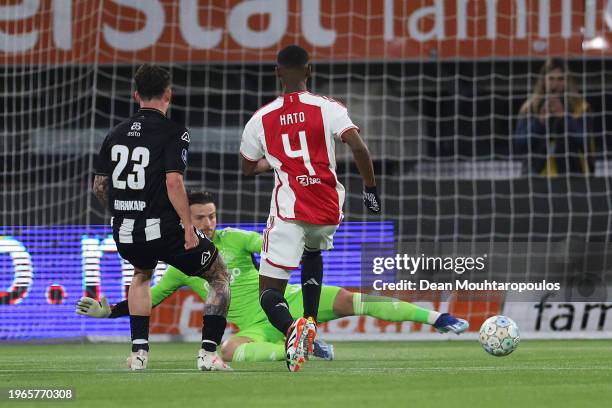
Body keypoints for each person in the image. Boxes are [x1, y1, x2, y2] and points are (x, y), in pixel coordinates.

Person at [77, 191, 469, 362]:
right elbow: (150, 299)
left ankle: (438, 318)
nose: (210, 223)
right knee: (226, 351)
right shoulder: (181, 264)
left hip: (289, 299)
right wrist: (108, 311)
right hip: (254, 326)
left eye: (212, 215)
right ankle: (297, 348)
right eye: (201, 218)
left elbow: (270, 249)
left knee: (352, 299)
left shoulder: (234, 238)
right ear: (185, 220)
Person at [239, 45, 382, 371]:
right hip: (328, 208)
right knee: (313, 254)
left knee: (268, 292)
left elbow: (247, 168)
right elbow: (358, 147)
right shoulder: (327, 107)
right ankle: (311, 323)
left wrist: (275, 160)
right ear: (309, 71)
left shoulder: (260, 118)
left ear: (277, 72)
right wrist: (371, 191)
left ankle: (294, 330)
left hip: (290, 211)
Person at [91, 65, 231, 371]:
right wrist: (188, 227)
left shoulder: (114, 133)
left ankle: (139, 354)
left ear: (136, 95)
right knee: (219, 277)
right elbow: (173, 182)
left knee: (141, 274)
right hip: (163, 229)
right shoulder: (174, 131)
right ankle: (208, 355)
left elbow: (100, 186)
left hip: (125, 232)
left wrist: (121, 210)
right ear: (168, 94)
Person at [514, 58, 592, 176]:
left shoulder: (580, 106)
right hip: (535, 175)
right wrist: (539, 122)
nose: (555, 84)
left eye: (560, 79)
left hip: (573, 176)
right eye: (551, 79)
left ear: (567, 81)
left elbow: (586, 142)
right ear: (544, 81)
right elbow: (519, 145)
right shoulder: (529, 107)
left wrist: (564, 116)